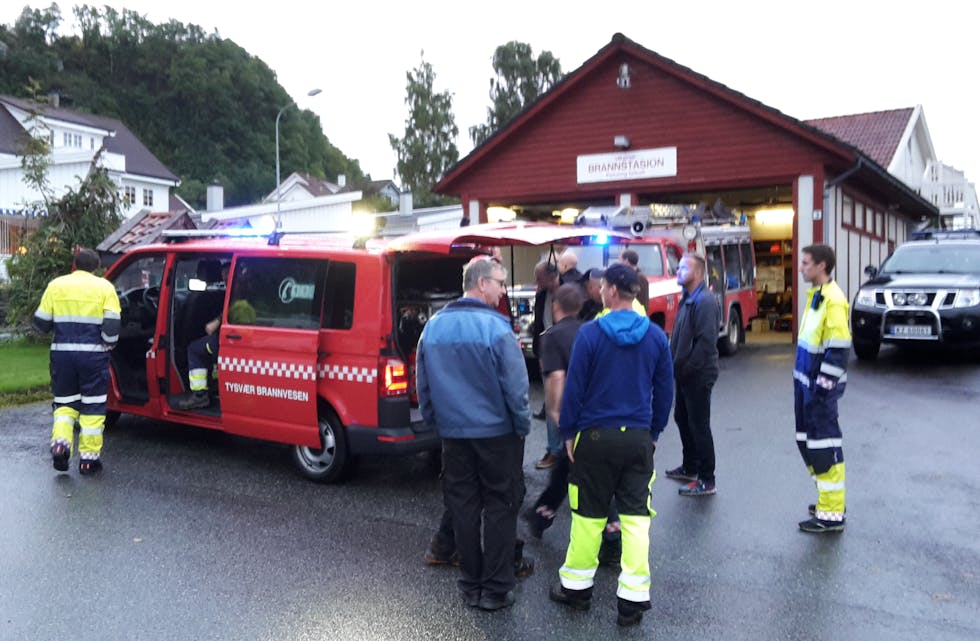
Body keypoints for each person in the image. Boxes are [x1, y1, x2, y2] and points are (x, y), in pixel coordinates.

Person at [549, 263, 673, 627]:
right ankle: (632, 601)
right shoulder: (654, 336)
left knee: (588, 517)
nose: (599, 291)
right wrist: (653, 433)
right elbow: (665, 391)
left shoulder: (590, 335)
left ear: (613, 292)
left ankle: (576, 589)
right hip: (636, 437)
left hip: (595, 437)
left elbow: (575, 389)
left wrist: (568, 432)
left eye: (603, 286)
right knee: (636, 520)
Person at [416, 256, 531, 611]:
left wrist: (437, 422)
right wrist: (522, 426)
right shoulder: (497, 329)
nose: (502, 289)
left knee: (463, 507)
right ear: (481, 283)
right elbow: (516, 389)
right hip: (497, 435)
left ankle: (470, 585)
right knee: (500, 506)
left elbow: (424, 387)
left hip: (454, 435)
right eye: (499, 282)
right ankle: (495, 589)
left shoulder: (432, 327)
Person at [32, 247, 121, 475]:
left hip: (62, 356)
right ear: (96, 267)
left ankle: (61, 445)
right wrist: (106, 345)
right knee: (92, 406)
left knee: (64, 404)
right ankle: (88, 461)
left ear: (75, 264)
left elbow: (41, 323)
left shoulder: (56, 285)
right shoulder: (105, 288)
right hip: (93, 356)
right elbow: (111, 328)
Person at [795, 244, 850, 534]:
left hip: (818, 391)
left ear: (822, 265)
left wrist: (821, 389)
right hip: (806, 386)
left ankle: (831, 514)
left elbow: (839, 350)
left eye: (806, 263)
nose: (801, 267)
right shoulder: (817, 296)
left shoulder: (834, 300)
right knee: (807, 442)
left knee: (823, 446)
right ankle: (828, 502)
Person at [665, 254, 721, 496]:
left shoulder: (705, 301)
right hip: (684, 373)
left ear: (698, 272)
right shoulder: (688, 298)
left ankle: (707, 479)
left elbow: (706, 342)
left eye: (683, 268)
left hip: (697, 374)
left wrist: (687, 369)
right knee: (682, 418)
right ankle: (690, 466)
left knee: (699, 426)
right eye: (678, 267)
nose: (678, 271)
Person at [174, 298, 255, 410]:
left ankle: (200, 395)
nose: (223, 279)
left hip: (227, 341)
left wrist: (216, 322)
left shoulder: (237, 301)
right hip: (246, 341)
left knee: (194, 349)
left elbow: (228, 313)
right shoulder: (251, 298)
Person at [531, 260, 559, 423]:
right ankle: (548, 408)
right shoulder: (541, 294)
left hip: (559, 342)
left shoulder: (565, 292)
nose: (536, 282)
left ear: (551, 277)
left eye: (539, 278)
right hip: (544, 340)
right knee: (546, 379)